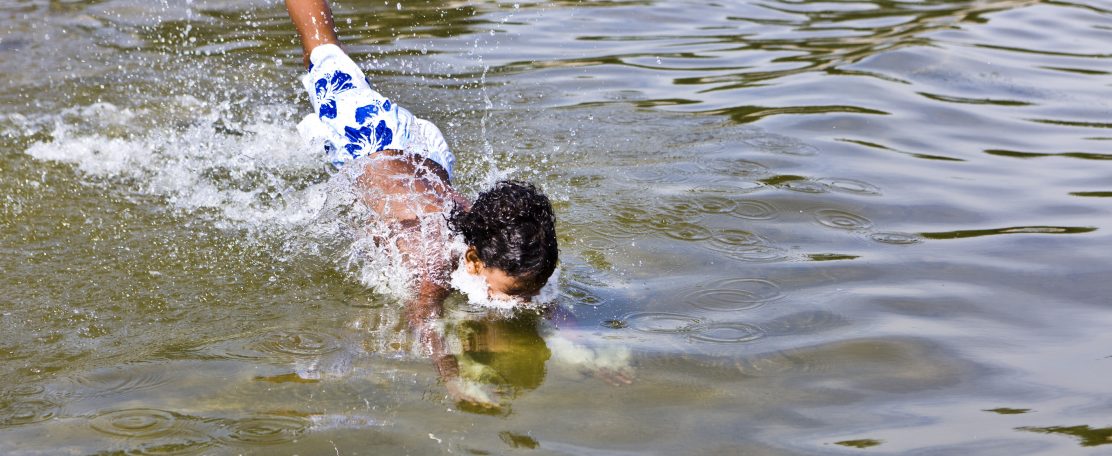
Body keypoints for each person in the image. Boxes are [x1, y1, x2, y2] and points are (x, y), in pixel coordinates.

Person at [285, 0, 561, 407]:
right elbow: (423, 319)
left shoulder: (509, 245)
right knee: (321, 45)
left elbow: (543, 295)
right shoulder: (432, 261)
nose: (526, 302)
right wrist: (453, 379)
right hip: (361, 135)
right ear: (472, 260)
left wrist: (589, 346)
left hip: (426, 150)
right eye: (516, 293)